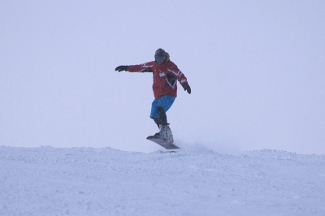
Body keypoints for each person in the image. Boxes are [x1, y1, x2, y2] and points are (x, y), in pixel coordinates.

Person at [115, 48, 191, 143]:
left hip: (169, 94)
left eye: (162, 58)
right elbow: (140, 67)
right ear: (155, 58)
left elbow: (180, 75)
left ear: (165, 58)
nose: (160, 61)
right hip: (158, 96)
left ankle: (164, 132)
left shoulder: (170, 66)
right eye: (157, 58)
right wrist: (126, 68)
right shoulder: (153, 65)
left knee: (160, 108)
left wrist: (185, 84)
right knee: (154, 114)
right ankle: (166, 133)